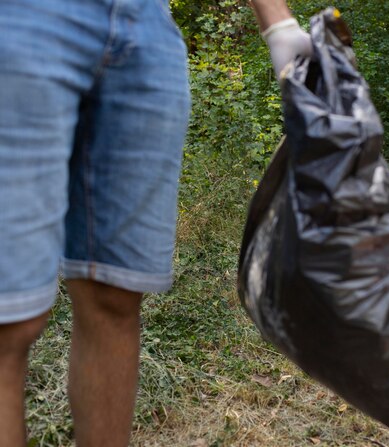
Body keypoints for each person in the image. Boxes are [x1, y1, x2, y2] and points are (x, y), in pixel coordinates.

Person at [0, 0, 310, 445]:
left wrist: (278, 23)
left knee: (116, 296)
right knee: (9, 322)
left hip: (146, 27)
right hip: (22, 17)